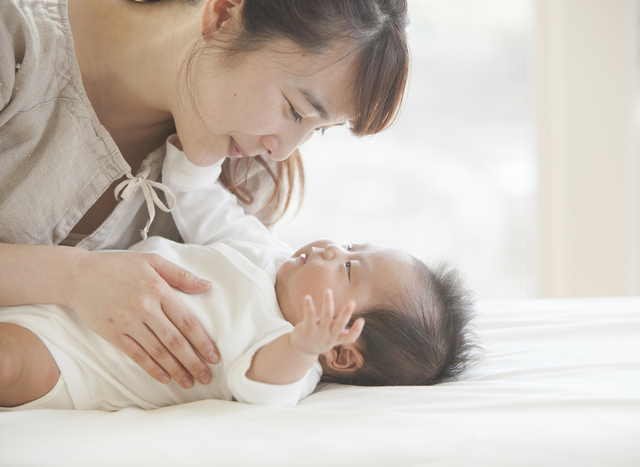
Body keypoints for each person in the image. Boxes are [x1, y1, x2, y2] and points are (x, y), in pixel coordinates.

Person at [0, 0, 409, 390]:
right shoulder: (15, 43)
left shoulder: (249, 176)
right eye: (296, 110)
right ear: (222, 14)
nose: (281, 150)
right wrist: (73, 277)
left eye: (317, 129)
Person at [0, 135, 477, 410]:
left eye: (349, 268)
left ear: (342, 354)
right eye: (349, 244)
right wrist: (196, 149)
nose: (332, 248)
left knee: (9, 366)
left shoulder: (287, 354)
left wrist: (303, 344)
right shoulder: (263, 249)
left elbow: (266, 389)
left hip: (84, 365)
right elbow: (199, 202)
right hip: (72, 295)